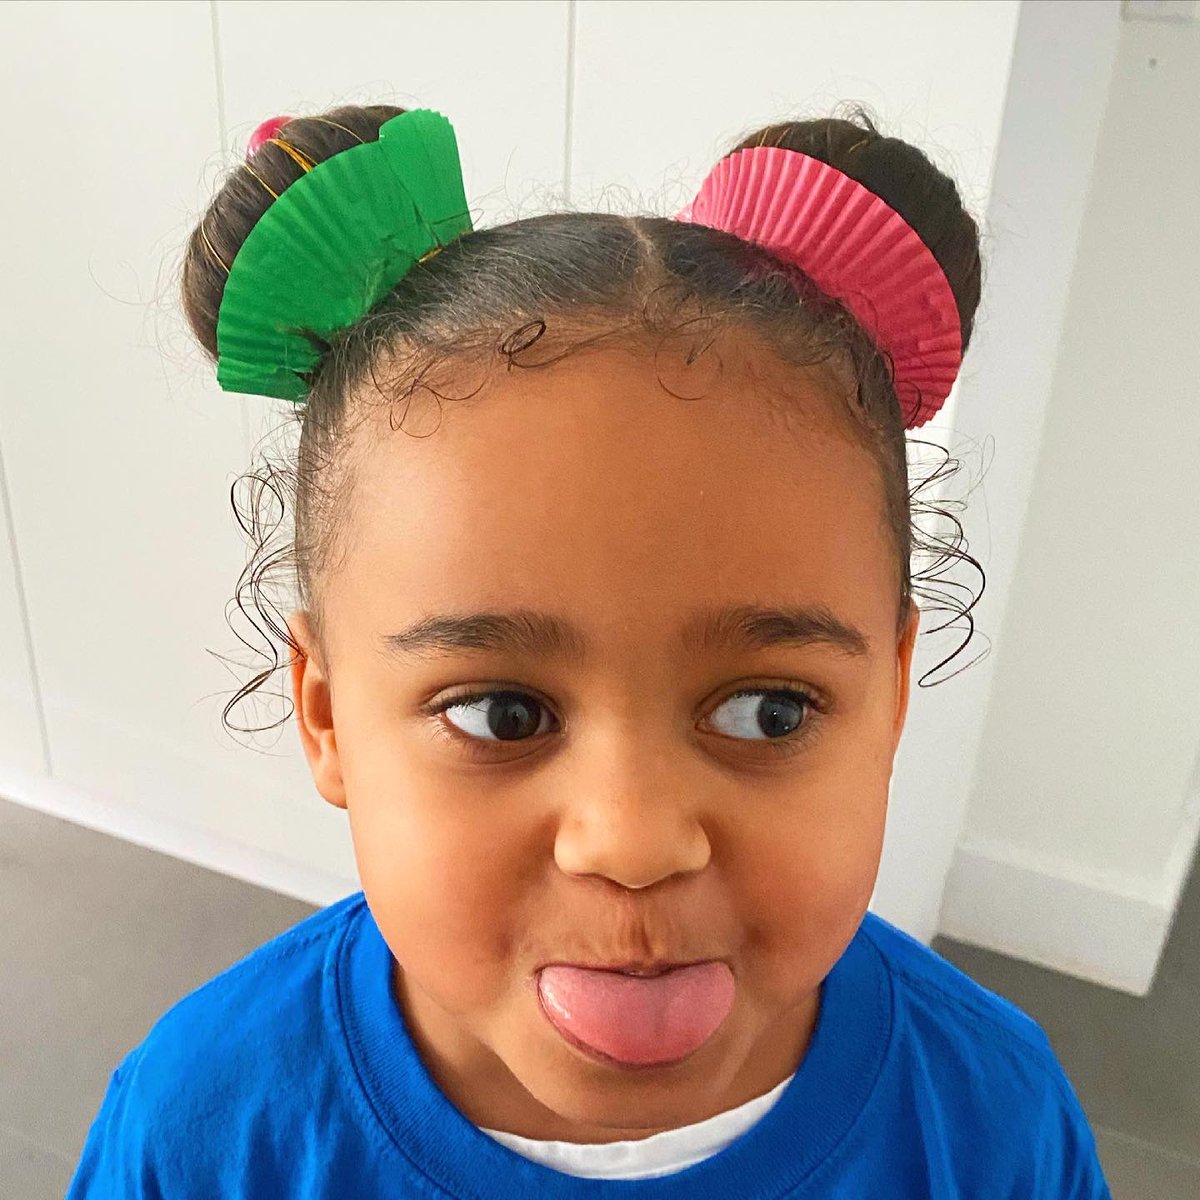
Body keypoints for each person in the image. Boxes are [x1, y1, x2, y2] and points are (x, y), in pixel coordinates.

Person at [65, 101, 1113, 1198]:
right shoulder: (204, 1136)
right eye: (501, 713)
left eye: (771, 710)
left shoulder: (995, 1123)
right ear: (327, 716)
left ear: (892, 695)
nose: (634, 841)